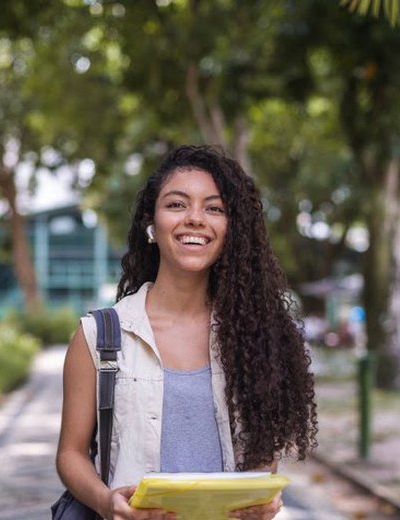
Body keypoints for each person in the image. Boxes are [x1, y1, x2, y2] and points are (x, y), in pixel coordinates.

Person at [56, 145, 317, 519]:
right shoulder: (99, 336)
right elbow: (71, 454)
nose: (195, 218)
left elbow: (262, 455)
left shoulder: (255, 338)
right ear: (152, 223)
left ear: (232, 231)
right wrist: (105, 501)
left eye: (214, 208)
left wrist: (261, 502)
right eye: (177, 204)